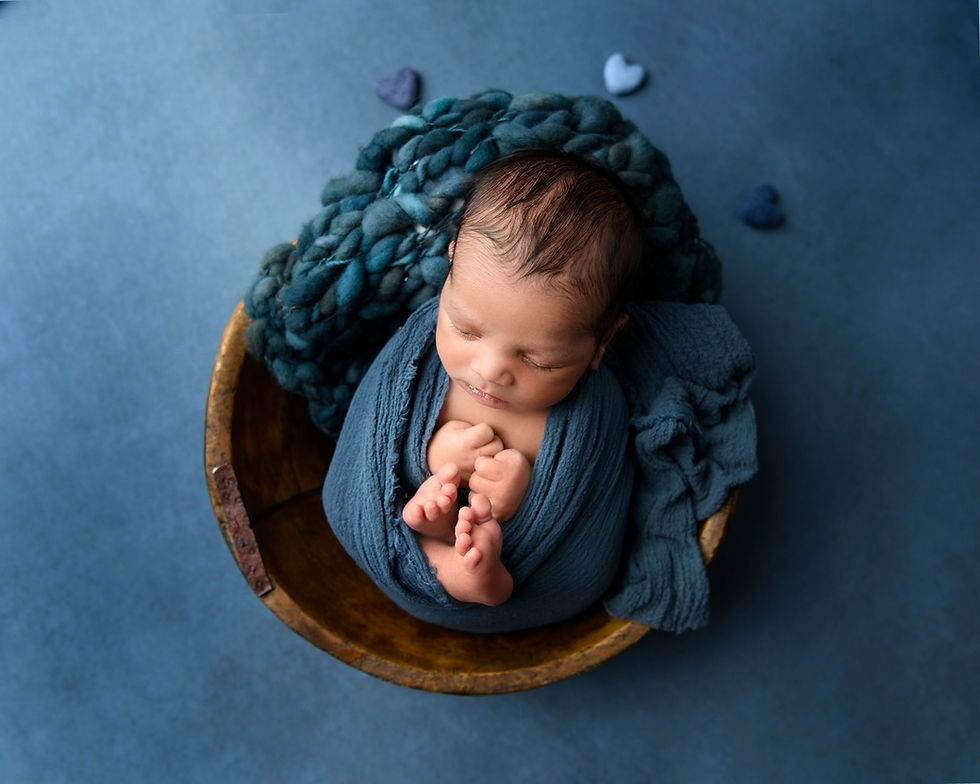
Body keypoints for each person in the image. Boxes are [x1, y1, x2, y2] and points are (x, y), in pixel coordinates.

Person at [399, 147, 644, 607]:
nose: (489, 371)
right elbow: (384, 434)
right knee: (421, 508)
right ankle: (439, 538)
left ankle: (477, 573)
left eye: (539, 361)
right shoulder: (420, 356)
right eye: (465, 329)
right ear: (450, 264)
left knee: (480, 538)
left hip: (524, 555)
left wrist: (519, 498)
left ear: (602, 342)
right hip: (418, 513)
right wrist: (432, 456)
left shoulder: (589, 411)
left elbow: (587, 496)